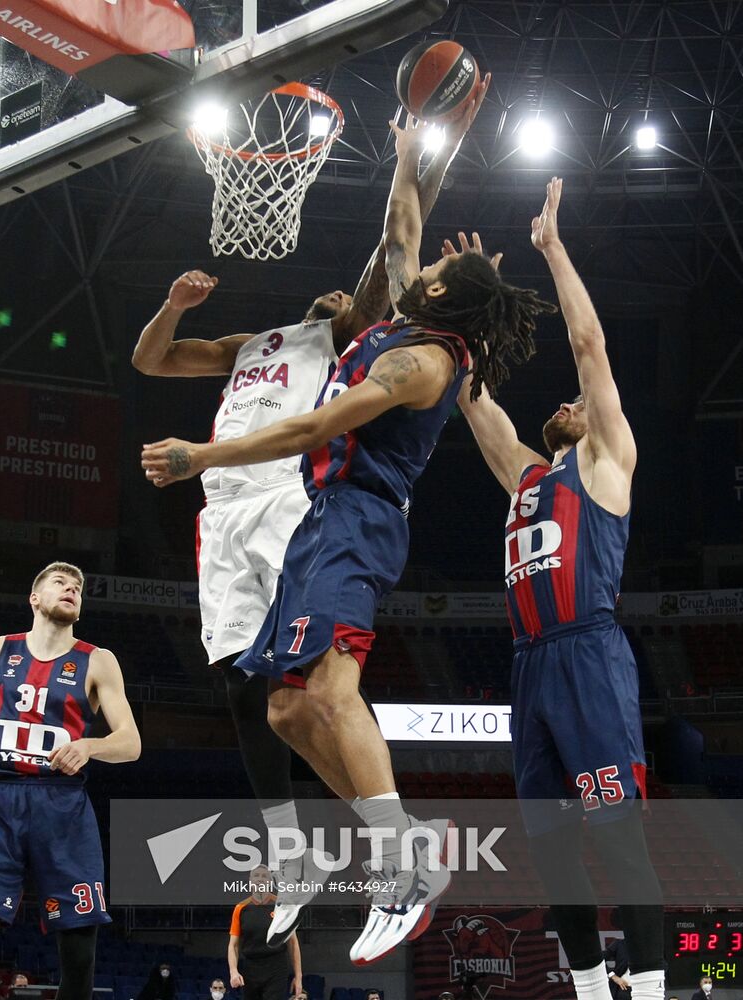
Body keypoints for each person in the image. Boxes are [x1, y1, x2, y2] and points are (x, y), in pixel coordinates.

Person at [141, 95, 556, 965]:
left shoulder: (417, 361)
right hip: (320, 523)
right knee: (286, 709)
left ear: (446, 303)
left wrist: (200, 456)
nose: (418, 275)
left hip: (355, 520)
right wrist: (407, 153)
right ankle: (387, 846)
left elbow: (305, 432)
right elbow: (401, 227)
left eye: (435, 280)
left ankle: (403, 866)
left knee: (329, 693)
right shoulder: (405, 321)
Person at [458, 178, 664, 1000]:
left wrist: (551, 250)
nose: (568, 402)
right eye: (568, 405)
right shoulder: (526, 476)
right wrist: (467, 311)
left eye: (577, 403)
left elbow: (588, 346)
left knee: (619, 843)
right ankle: (585, 990)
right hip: (529, 666)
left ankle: (646, 994)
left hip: (586, 655)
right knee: (550, 853)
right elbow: (475, 407)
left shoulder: (605, 462)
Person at [0, 561, 141, 1000]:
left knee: (79, 946)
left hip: (62, 804)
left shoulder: (98, 660)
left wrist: (89, 746)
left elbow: (130, 743)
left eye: (77, 587)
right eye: (61, 583)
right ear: (34, 598)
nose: (72, 589)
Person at [228, 865, 302, 1000]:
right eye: (256, 876)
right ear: (250, 880)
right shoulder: (240, 908)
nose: (260, 879)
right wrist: (233, 971)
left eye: (264, 876)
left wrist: (298, 977)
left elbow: (293, 943)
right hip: (251, 967)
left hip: (276, 966)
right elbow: (233, 945)